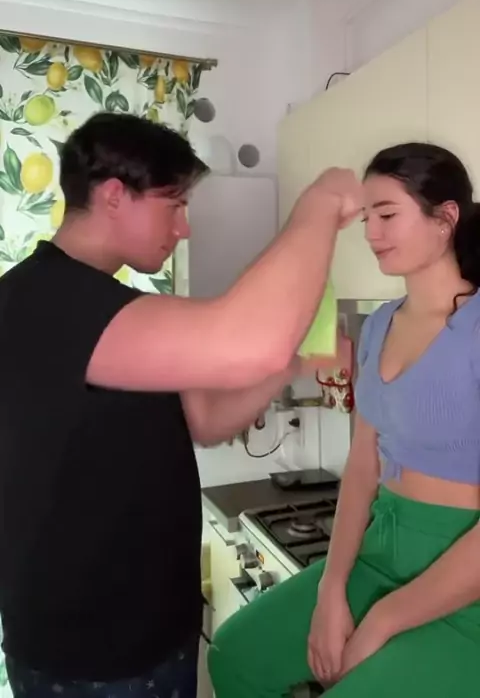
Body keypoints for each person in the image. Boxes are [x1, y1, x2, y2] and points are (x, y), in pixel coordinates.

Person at [0, 111, 362, 698]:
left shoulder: (116, 307)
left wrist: (295, 365)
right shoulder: (51, 300)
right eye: (174, 205)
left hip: (149, 631)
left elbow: (206, 419)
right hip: (92, 652)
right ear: (114, 195)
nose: (184, 228)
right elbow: (249, 340)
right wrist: (317, 205)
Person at [208, 140, 480, 698]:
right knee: (235, 655)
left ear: (446, 216)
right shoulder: (377, 326)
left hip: (464, 579)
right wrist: (331, 589)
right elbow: (362, 465)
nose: (371, 233)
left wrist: (382, 620)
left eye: (387, 215)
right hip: (380, 549)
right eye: (366, 218)